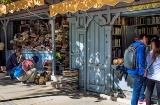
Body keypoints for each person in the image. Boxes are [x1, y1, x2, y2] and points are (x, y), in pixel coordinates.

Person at [126, 34, 148, 105]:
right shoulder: (141, 46)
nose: (147, 41)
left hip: (130, 70)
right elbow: (140, 60)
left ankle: (141, 98)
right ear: (144, 38)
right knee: (136, 90)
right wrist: (142, 72)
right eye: (147, 39)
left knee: (141, 83)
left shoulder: (133, 45)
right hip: (138, 71)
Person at [145, 39, 160, 105]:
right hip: (159, 77)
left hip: (149, 77)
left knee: (148, 93)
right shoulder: (159, 55)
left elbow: (146, 65)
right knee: (159, 95)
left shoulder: (148, 54)